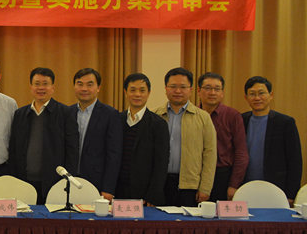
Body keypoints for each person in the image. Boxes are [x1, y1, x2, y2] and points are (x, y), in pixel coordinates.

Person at [8, 67, 78, 204]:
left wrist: (66, 180)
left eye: (45, 84)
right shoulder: (20, 114)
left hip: (54, 183)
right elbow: (13, 150)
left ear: (53, 88)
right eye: (37, 84)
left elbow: (72, 150)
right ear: (31, 87)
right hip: (24, 182)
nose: (41, 88)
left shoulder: (65, 113)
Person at [154, 67, 217, 207]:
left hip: (190, 186)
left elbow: (210, 154)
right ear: (165, 88)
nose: (178, 91)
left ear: (191, 89)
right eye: (173, 86)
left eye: (183, 87)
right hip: (160, 184)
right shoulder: (155, 115)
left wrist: (205, 188)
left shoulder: (203, 118)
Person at [242, 76, 302, 204]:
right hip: (245, 187)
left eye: (261, 93)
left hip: (276, 189)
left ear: (271, 95)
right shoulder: (241, 120)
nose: (257, 98)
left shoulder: (285, 123)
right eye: (252, 94)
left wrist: (291, 194)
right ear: (246, 97)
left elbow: (295, 161)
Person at [114, 73, 169, 206]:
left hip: (144, 194)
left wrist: (152, 195)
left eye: (142, 90)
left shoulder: (158, 124)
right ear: (125, 92)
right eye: (132, 90)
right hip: (117, 191)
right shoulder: (116, 120)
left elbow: (161, 164)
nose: (137, 94)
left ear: (148, 93)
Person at [70, 68, 123, 200]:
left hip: (97, 183)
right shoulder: (67, 112)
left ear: (98, 87)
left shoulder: (110, 115)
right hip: (70, 181)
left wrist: (108, 188)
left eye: (90, 84)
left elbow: (114, 155)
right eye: (80, 84)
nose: (84, 88)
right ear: (74, 86)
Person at [197, 72, 248, 201]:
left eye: (217, 89)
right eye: (207, 88)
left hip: (222, 176)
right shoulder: (192, 115)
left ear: (222, 93)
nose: (212, 93)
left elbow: (241, 152)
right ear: (198, 91)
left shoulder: (232, 115)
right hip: (195, 175)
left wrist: (234, 184)